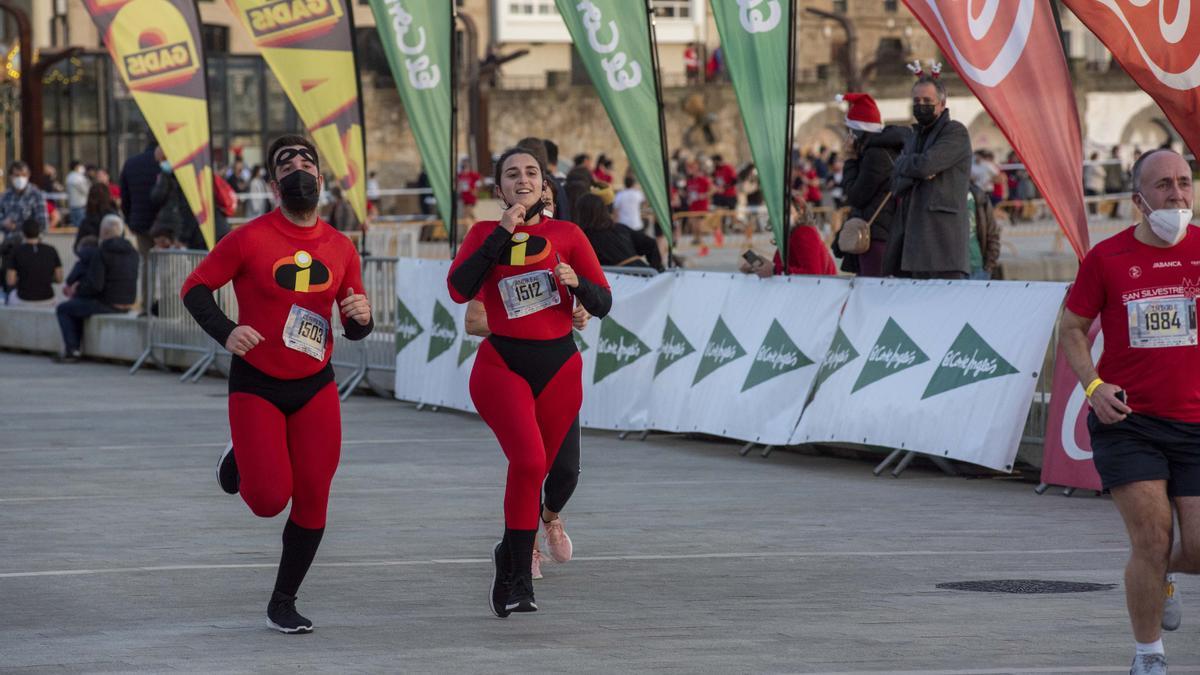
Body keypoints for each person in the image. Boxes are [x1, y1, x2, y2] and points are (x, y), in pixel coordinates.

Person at [180, 135, 374, 634]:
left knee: (313, 494)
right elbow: (194, 288)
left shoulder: (340, 246)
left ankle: (283, 601)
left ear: (322, 180)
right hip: (257, 383)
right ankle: (239, 457)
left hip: (315, 385)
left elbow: (353, 324)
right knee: (268, 500)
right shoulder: (249, 238)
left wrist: (361, 320)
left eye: (306, 161)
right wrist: (227, 331)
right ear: (272, 186)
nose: (298, 168)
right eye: (286, 164)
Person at [447, 147, 610, 618]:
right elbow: (459, 289)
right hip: (502, 366)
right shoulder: (482, 233)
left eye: (532, 173)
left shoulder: (568, 234)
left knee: (543, 471)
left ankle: (508, 554)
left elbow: (603, 303)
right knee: (529, 458)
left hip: (560, 367)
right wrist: (502, 230)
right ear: (498, 189)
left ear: (545, 185)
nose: (524, 179)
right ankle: (519, 578)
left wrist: (577, 284)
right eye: (512, 174)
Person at [1059, 149, 1200, 675]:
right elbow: (1071, 328)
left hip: (1194, 422)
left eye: (1184, 182)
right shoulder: (1107, 258)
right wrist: (1093, 384)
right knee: (1151, 536)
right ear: (1139, 199)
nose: (1177, 195)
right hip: (1129, 422)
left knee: (1195, 548)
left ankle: (1159, 576)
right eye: (1163, 185)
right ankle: (1149, 658)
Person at [465, 297, 591, 580]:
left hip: (558, 376)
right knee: (531, 466)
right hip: (514, 381)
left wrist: (582, 312)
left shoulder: (560, 259)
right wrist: (531, 326)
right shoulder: (500, 259)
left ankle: (550, 516)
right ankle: (527, 550)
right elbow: (473, 322)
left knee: (567, 471)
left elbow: (590, 297)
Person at [886, 67, 973, 279]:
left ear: (942, 104)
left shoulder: (955, 132)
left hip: (942, 248)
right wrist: (913, 168)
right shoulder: (914, 137)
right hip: (912, 247)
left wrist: (914, 167)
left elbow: (926, 165)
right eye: (916, 102)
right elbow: (896, 181)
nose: (920, 106)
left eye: (927, 101)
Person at [834, 92, 910, 277]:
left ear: (858, 131)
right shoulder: (882, 151)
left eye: (850, 132)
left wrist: (850, 160)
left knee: (872, 292)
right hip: (879, 231)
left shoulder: (875, 155)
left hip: (876, 236)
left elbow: (856, 196)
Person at [54, 215, 138, 362]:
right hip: (128, 302)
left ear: (103, 233)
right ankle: (74, 349)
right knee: (78, 305)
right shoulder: (133, 253)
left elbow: (95, 286)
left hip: (108, 303)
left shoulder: (102, 252)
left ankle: (72, 350)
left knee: (64, 308)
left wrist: (77, 289)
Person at [120, 141, 164, 311]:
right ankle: (167, 306)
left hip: (140, 224)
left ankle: (146, 306)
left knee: (147, 264)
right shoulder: (164, 163)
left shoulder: (131, 163)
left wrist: (129, 219)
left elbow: (125, 196)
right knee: (168, 265)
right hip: (162, 226)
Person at [742, 202, 836, 277]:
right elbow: (786, 267)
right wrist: (759, 268)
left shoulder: (804, 232)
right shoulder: (790, 234)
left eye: (787, 211)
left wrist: (774, 270)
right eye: (777, 211)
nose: (781, 215)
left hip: (819, 295)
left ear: (800, 211)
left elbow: (813, 273)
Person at [574, 193, 652, 269]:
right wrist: (658, 268)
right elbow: (650, 244)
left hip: (622, 279)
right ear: (604, 210)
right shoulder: (620, 228)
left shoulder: (585, 238)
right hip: (645, 273)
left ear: (581, 214)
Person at [150, 147, 206, 251]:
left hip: (180, 229)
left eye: (163, 160)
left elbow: (188, 208)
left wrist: (183, 237)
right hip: (176, 228)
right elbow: (156, 197)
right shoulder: (165, 175)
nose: (161, 164)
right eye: (159, 161)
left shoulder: (183, 176)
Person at [5, 218, 63, 306]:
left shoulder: (16, 251)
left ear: (23, 233)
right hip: (48, 298)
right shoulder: (51, 250)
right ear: (39, 232)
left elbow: (10, 281)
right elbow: (59, 279)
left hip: (23, 298)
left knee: (8, 297)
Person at [0, 161, 49, 234]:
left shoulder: (36, 195)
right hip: (8, 242)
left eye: (23, 175)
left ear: (28, 175)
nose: (20, 178)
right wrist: (3, 223)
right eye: (17, 175)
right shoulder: (6, 195)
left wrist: (17, 226)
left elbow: (43, 224)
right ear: (11, 176)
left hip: (28, 242)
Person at [967, 184, 1001, 280]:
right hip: (953, 271)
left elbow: (992, 233)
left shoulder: (979, 197)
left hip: (978, 268)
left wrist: (989, 265)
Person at [74, 183, 119, 252]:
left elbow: (77, 248)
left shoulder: (87, 222)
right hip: (113, 259)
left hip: (92, 258)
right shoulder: (115, 219)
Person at [65, 160, 90, 228]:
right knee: (81, 226)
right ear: (76, 167)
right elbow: (86, 190)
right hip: (80, 206)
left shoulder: (69, 176)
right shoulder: (77, 178)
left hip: (73, 205)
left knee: (75, 226)